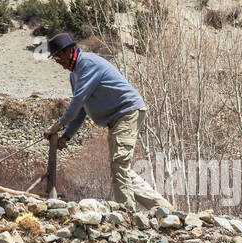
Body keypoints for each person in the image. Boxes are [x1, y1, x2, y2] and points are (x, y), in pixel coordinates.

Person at [42, 32, 172, 212]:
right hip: (118, 118)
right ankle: (163, 208)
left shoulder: (86, 64)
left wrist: (59, 125)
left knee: (119, 165)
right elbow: (81, 110)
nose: (58, 61)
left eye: (58, 56)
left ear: (69, 51)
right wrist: (67, 136)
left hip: (126, 112)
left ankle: (126, 214)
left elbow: (78, 101)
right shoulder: (75, 75)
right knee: (121, 169)